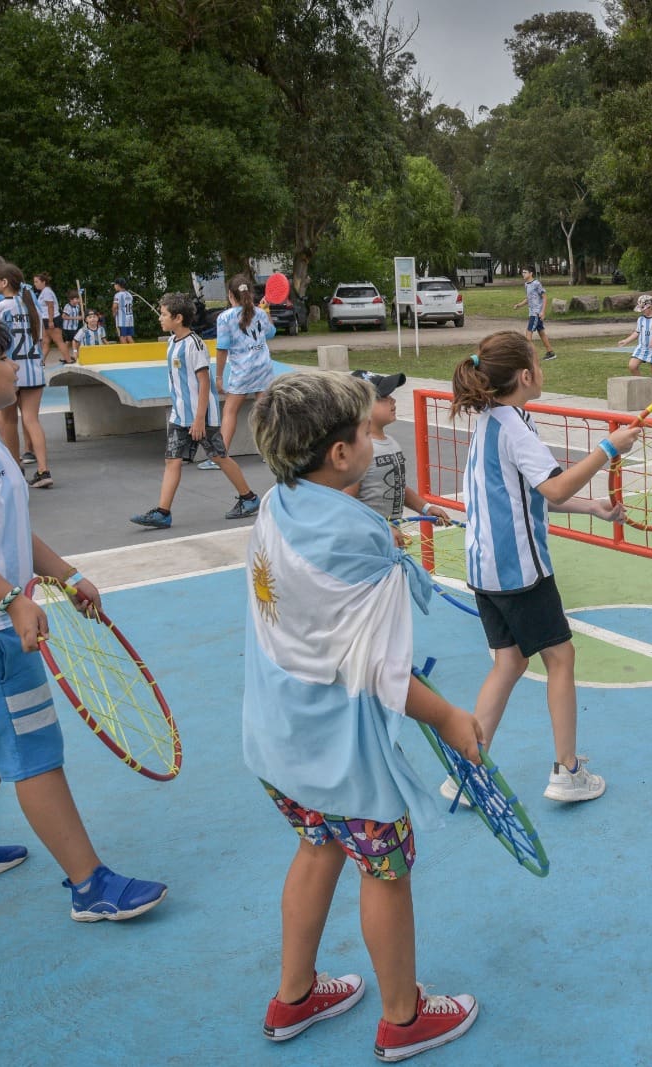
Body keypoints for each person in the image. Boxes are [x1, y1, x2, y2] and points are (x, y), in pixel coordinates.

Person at [0, 309, 166, 921]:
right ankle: (89, 885)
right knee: (34, 750)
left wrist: (64, 576)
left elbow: (7, 531)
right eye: (2, 357)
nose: (15, 364)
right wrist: (12, 599)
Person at [242, 370, 482, 1058]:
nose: (374, 436)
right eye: (365, 430)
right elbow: (383, 674)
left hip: (278, 734)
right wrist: (447, 718)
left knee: (316, 846)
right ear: (342, 454)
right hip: (340, 751)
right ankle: (404, 1018)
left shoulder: (274, 502)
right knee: (385, 871)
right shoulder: (360, 538)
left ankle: (294, 995)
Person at [450, 331, 638, 803]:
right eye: (537, 359)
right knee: (560, 657)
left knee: (510, 661)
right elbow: (552, 488)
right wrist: (608, 449)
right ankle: (567, 771)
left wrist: (591, 506)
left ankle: (468, 771)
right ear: (526, 375)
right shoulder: (514, 426)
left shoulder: (492, 421)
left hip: (485, 569)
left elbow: (527, 493)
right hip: (517, 570)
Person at [128, 293, 260, 529]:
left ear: (178, 318)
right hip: (179, 416)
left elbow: (204, 382)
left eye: (164, 314)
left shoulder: (195, 345)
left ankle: (249, 498)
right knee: (172, 461)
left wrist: (199, 419)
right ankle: (162, 512)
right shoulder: (172, 342)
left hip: (202, 417)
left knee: (219, 456)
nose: (160, 317)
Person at [348, 369, 453, 536]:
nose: (393, 400)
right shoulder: (357, 450)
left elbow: (396, 486)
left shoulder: (391, 443)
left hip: (390, 540)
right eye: (383, 397)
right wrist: (381, 529)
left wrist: (425, 508)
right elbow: (346, 504)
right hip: (366, 544)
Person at [203, 275, 278, 471]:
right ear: (250, 293)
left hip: (242, 371)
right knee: (264, 412)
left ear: (230, 295)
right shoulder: (259, 313)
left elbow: (222, 349)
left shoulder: (225, 317)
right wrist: (266, 311)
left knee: (229, 411)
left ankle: (221, 455)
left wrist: (219, 376)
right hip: (263, 368)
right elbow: (270, 333)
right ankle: (269, 453)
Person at [0, 264, 53, 488]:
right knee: (32, 420)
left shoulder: (0, 308)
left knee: (6, 420)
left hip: (11, 371)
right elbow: (40, 338)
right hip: (33, 369)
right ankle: (44, 470)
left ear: (5, 282)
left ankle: (14, 467)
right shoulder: (31, 307)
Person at [618, 294, 652, 402]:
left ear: (650, 307)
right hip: (641, 348)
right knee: (632, 366)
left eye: (643, 309)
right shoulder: (640, 319)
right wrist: (626, 341)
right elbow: (637, 332)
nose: (642, 311)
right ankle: (643, 388)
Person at [511, 268, 554, 360]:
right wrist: (519, 305)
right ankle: (550, 352)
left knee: (528, 332)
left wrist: (542, 312)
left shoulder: (536, 284)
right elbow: (528, 299)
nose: (523, 274)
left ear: (531, 273)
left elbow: (544, 297)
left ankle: (528, 356)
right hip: (532, 313)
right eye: (522, 272)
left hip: (536, 313)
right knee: (541, 333)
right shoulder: (526, 284)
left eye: (525, 272)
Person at [32, 272, 67, 365]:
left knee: (58, 340)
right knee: (45, 342)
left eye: (36, 282)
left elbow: (50, 306)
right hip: (46, 319)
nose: (35, 284)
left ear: (43, 282)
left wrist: (51, 321)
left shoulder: (46, 291)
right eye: (34, 282)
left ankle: (69, 360)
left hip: (52, 319)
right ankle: (41, 362)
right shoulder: (44, 291)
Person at [112, 278, 135, 343]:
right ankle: (136, 351)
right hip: (130, 319)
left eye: (114, 284)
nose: (114, 286)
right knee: (129, 336)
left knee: (122, 336)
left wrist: (114, 314)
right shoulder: (129, 295)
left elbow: (114, 306)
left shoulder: (118, 295)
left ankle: (124, 352)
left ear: (118, 285)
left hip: (122, 320)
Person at [60, 290, 82, 356]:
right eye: (76, 299)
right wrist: (76, 318)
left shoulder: (77, 306)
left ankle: (67, 355)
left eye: (78, 298)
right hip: (68, 328)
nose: (78, 300)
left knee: (69, 342)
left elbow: (78, 313)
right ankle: (73, 354)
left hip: (75, 327)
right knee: (75, 341)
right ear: (71, 300)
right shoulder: (68, 307)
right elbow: (63, 316)